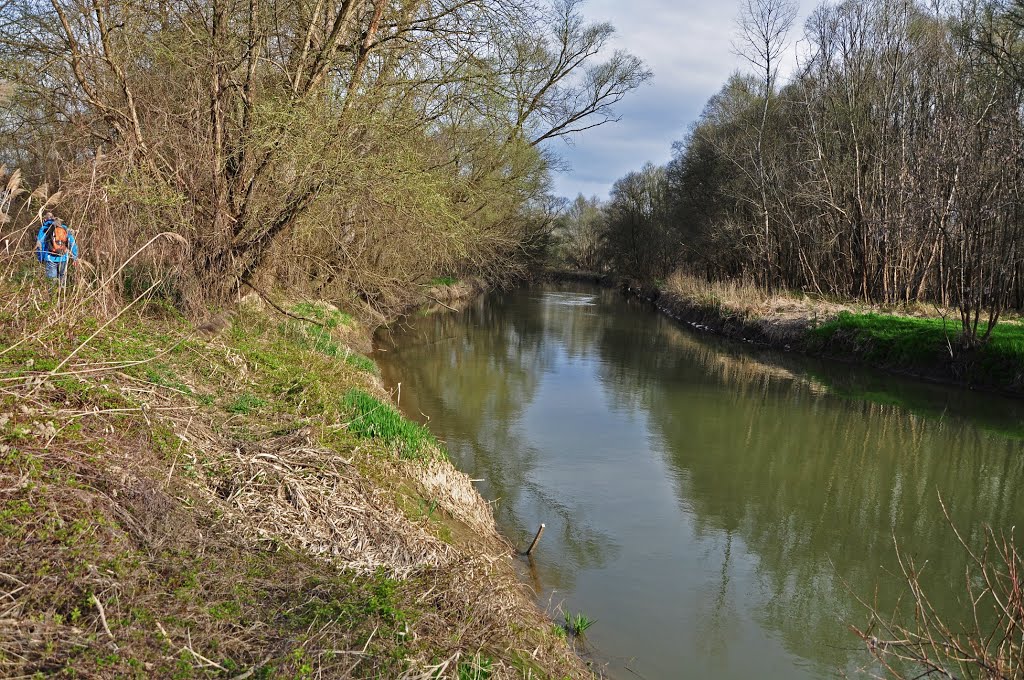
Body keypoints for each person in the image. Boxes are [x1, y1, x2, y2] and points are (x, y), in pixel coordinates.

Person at [36, 213, 79, 285]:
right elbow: (72, 242)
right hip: (63, 257)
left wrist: (40, 258)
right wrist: (75, 257)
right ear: (54, 218)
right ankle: (62, 294)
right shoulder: (63, 227)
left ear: (44, 220)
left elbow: (40, 244)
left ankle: (51, 295)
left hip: (50, 258)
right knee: (62, 280)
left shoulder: (45, 228)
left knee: (51, 282)